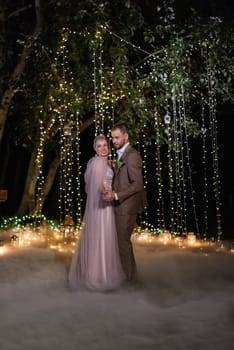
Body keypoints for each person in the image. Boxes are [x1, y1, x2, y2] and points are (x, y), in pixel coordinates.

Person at [68, 135, 125, 291]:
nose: (103, 148)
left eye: (105, 145)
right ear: (95, 149)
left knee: (103, 238)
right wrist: (106, 192)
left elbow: (117, 168)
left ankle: (101, 272)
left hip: (105, 206)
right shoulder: (97, 162)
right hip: (102, 205)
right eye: (99, 146)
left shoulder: (107, 162)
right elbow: (96, 184)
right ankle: (97, 276)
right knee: (101, 237)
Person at [103, 122, 147, 282]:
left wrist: (116, 195)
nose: (113, 141)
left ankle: (130, 281)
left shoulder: (132, 155)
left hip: (126, 207)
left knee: (123, 244)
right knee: (120, 244)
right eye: (112, 137)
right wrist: (112, 165)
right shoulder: (121, 154)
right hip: (120, 206)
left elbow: (137, 184)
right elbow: (122, 172)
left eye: (117, 137)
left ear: (125, 136)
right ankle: (125, 277)